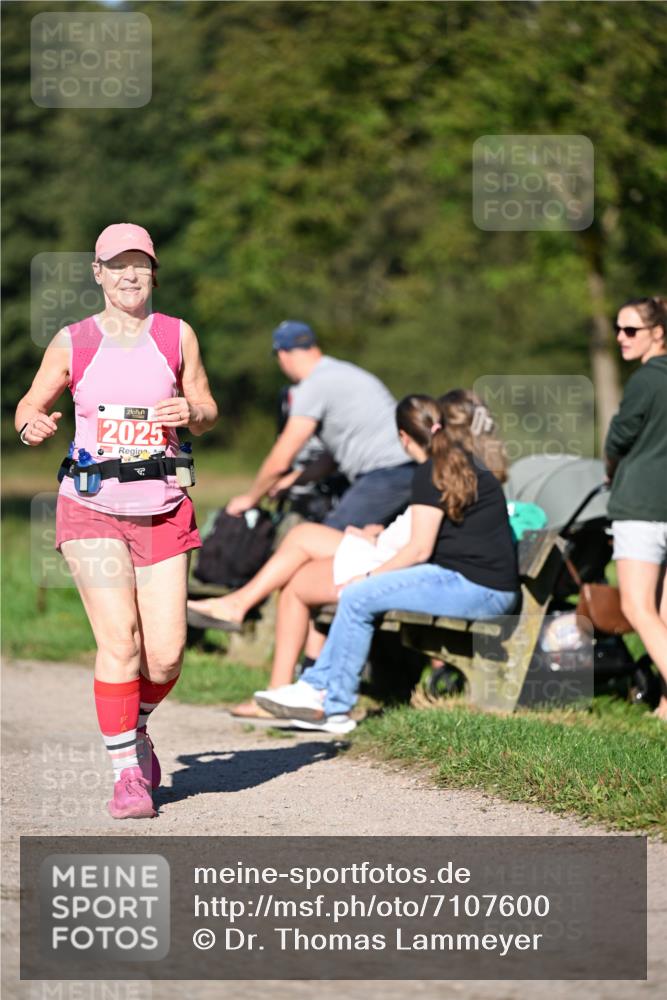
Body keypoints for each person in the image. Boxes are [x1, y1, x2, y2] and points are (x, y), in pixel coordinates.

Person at [15, 223, 218, 818]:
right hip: (91, 506)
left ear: (153, 272)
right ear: (98, 273)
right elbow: (31, 404)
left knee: (166, 656)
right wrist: (31, 422)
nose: (131, 275)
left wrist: (194, 411)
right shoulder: (73, 341)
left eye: (141, 265)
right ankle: (126, 774)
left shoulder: (177, 336)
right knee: (120, 643)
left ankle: (139, 726)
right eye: (117, 265)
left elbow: (206, 406)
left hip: (163, 507)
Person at [254, 395, 520, 732]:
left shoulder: (432, 471)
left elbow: (419, 549)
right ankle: (315, 688)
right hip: (479, 583)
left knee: (358, 595)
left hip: (476, 588)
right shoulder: (459, 462)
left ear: (404, 437)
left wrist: (367, 575)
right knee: (359, 595)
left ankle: (331, 705)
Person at [225, 320, 415, 529]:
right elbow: (330, 461)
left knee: (324, 540)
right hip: (411, 467)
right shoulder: (345, 372)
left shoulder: (313, 385)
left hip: (386, 473)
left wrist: (251, 498)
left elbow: (281, 458)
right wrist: (290, 482)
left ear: (282, 355)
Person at [604, 295, 667, 720]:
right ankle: (665, 707)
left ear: (658, 333)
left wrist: (611, 465)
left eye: (631, 330)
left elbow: (619, 440)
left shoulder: (647, 379)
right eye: (618, 329)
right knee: (663, 611)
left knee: (637, 607)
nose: (621, 338)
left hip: (642, 506)